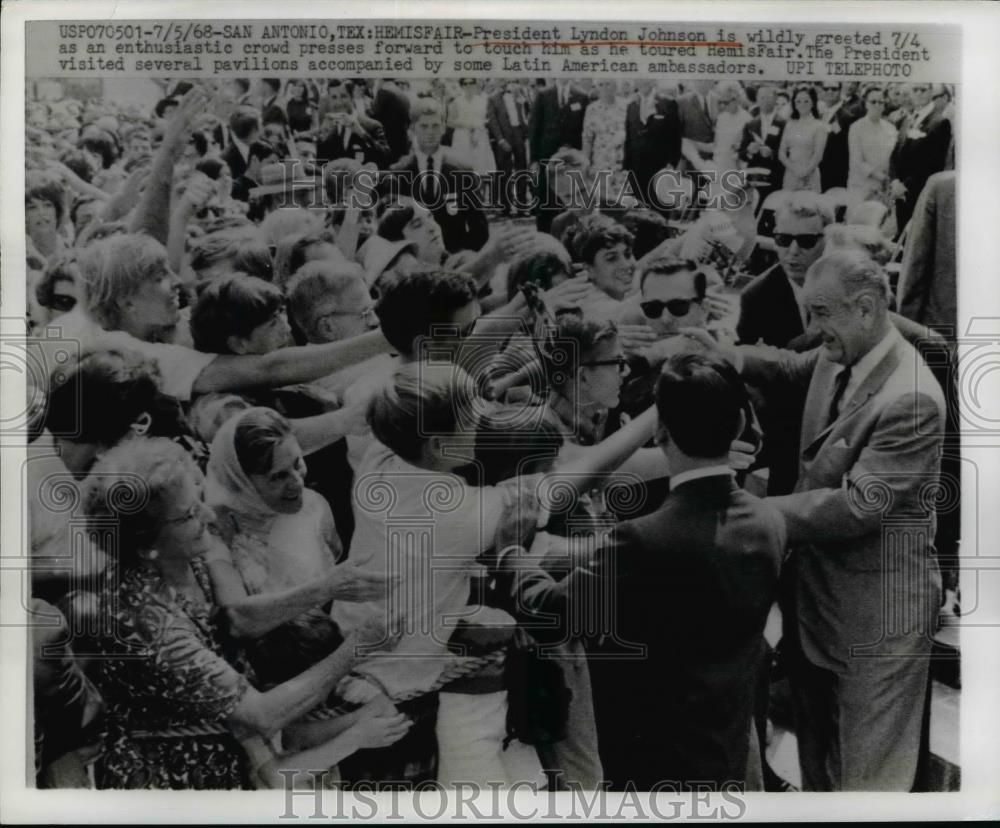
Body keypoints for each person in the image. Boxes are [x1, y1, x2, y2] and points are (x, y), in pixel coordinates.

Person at [694, 249, 946, 791]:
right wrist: (728, 356)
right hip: (815, 610)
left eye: (822, 314)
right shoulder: (842, 351)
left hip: (879, 622)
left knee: (871, 782)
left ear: (866, 307)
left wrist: (752, 511)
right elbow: (789, 366)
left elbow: (859, 505)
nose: (813, 329)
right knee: (820, 771)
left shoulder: (914, 398)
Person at [82, 438, 408, 789]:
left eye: (199, 501)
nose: (207, 517)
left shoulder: (187, 556)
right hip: (171, 783)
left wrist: (331, 585)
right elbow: (261, 716)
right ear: (146, 544)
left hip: (230, 761)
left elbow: (237, 618)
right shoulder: (144, 622)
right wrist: (357, 647)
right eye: (190, 515)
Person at [588, 352, 784, 790]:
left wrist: (517, 562)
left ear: (659, 432)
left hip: (652, 763)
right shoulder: (770, 522)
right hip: (727, 752)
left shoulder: (639, 539)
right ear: (737, 427)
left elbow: (559, 610)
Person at [388, 98, 489, 254]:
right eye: (424, 126)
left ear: (443, 128)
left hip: (455, 260)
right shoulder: (398, 172)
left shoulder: (462, 171)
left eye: (435, 125)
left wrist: (459, 257)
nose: (430, 132)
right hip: (416, 263)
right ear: (413, 129)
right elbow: (392, 229)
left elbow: (480, 229)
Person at [889, 83, 953, 233]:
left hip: (919, 192)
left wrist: (905, 186)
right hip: (900, 193)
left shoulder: (939, 122)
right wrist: (894, 181)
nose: (918, 94)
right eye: (914, 89)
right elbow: (895, 153)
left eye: (922, 90)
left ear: (931, 92)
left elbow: (933, 163)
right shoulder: (907, 120)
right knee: (901, 238)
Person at [623, 79, 682, 208]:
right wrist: (626, 166)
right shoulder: (631, 106)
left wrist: (672, 163)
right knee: (639, 209)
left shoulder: (668, 103)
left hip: (660, 167)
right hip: (636, 168)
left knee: (660, 206)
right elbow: (629, 137)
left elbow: (676, 136)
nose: (643, 82)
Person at [316, 80, 390, 167]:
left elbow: (386, 158)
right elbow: (320, 162)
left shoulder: (372, 125)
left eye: (343, 96)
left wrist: (362, 134)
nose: (339, 102)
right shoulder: (332, 127)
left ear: (352, 97)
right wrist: (322, 135)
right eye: (334, 97)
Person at [486, 80, 531, 216]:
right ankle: (506, 207)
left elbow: (528, 110)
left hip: (519, 134)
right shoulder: (493, 98)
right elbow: (492, 120)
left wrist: (526, 132)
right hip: (504, 137)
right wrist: (500, 139)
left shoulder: (520, 92)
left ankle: (522, 207)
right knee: (504, 173)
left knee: (521, 171)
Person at [847, 87, 898, 204]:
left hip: (885, 187)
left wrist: (889, 179)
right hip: (862, 186)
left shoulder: (891, 128)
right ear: (866, 104)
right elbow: (857, 161)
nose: (877, 105)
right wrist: (881, 177)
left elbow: (893, 157)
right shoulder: (856, 127)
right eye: (873, 102)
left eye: (881, 102)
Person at [739, 84, 786, 198]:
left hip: (775, 177)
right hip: (753, 178)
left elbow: (788, 152)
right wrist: (749, 151)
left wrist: (772, 154)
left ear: (775, 99)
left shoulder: (784, 124)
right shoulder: (750, 124)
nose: (765, 101)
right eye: (762, 98)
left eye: (768, 97)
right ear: (757, 100)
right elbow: (742, 153)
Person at [778, 86, 827, 193]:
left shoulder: (819, 126)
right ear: (794, 103)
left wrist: (804, 172)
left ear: (813, 102)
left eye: (806, 101)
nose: (802, 104)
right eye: (798, 101)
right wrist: (794, 170)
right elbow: (781, 153)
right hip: (790, 174)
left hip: (809, 175)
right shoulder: (789, 124)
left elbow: (818, 156)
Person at [818, 81, 864, 192]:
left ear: (840, 90)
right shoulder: (822, 114)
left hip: (836, 174)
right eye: (826, 89)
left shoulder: (847, 117)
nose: (829, 92)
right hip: (819, 171)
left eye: (834, 89)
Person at [581, 80, 628, 189]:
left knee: (623, 200)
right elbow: (587, 139)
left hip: (621, 164)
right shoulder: (591, 109)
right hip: (600, 163)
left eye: (608, 84)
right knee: (602, 200)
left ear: (616, 86)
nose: (604, 88)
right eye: (601, 85)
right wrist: (585, 165)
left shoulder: (627, 106)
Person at [448, 78, 496, 174]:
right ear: (462, 86)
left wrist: (479, 128)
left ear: (475, 85)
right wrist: (466, 126)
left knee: (481, 166)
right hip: (462, 137)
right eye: (465, 84)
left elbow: (488, 119)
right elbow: (449, 122)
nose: (468, 86)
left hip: (480, 136)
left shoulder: (483, 100)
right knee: (463, 166)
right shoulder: (456, 101)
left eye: (471, 83)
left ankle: (481, 187)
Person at [711, 81, 752, 177]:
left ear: (736, 100)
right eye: (720, 102)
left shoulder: (747, 119)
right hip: (719, 165)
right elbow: (717, 144)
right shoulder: (721, 117)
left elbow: (748, 150)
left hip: (737, 168)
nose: (722, 106)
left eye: (726, 102)